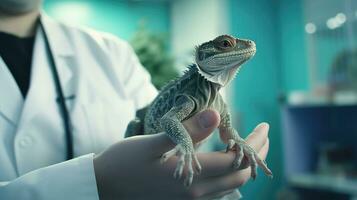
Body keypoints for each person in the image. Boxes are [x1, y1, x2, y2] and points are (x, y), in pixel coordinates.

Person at [0, 0, 271, 199]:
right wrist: (100, 183)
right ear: (203, 56)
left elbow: (219, 132)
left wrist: (232, 157)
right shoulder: (189, 94)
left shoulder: (112, 52)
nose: (238, 48)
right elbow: (168, 121)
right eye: (226, 44)